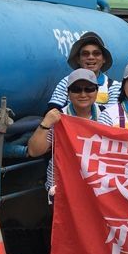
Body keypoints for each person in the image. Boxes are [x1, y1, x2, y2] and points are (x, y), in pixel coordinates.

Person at [28, 68, 102, 199]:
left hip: (96, 187)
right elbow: (34, 151)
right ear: (68, 93)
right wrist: (45, 124)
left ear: (96, 91)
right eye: (76, 89)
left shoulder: (106, 116)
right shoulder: (58, 118)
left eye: (89, 89)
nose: (83, 94)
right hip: (62, 187)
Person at [48, 32, 119, 108]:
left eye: (96, 53)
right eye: (85, 54)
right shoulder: (66, 82)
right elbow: (53, 110)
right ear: (78, 59)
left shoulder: (113, 86)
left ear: (104, 59)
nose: (91, 57)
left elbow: (112, 113)